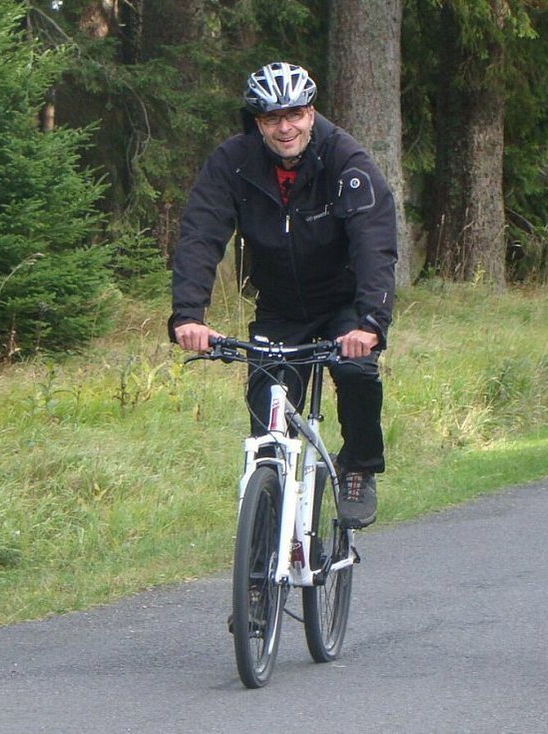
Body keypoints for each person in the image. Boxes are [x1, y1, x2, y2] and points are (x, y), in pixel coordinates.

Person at [169, 61, 398, 529]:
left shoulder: (346, 161)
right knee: (267, 421)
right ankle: (259, 569)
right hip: (278, 307)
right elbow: (201, 234)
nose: (285, 127)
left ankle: (358, 465)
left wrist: (370, 322)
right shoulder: (233, 162)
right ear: (258, 123)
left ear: (311, 114)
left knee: (355, 373)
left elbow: (375, 242)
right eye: (273, 118)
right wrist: (188, 314)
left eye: (294, 114)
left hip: (343, 304)